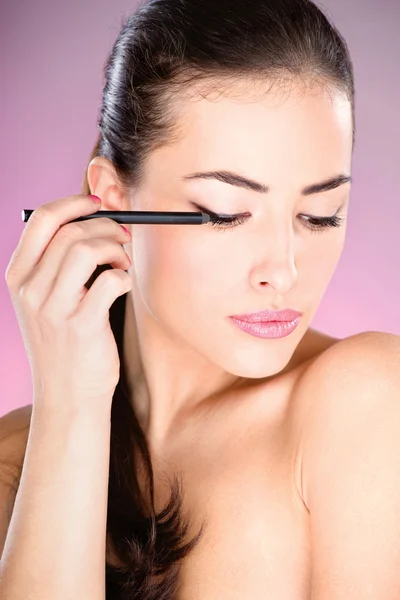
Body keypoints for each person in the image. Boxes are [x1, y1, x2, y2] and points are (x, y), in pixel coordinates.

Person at [1, 0, 399, 598]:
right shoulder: (15, 463)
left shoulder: (368, 402)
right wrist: (71, 404)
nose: (283, 272)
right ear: (116, 202)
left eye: (320, 216)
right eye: (224, 215)